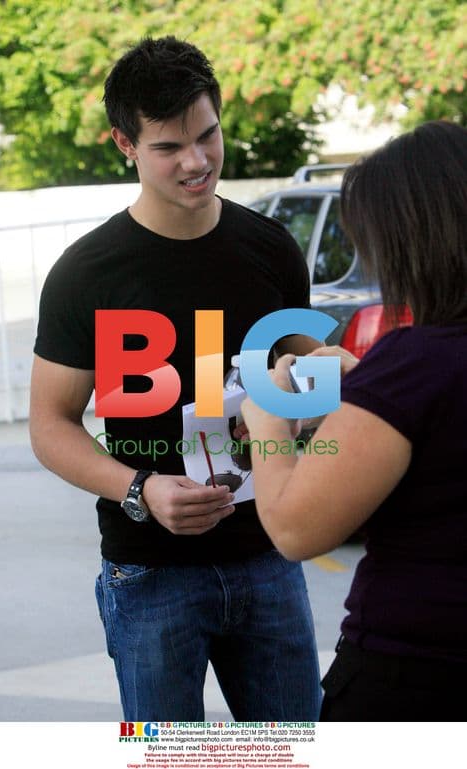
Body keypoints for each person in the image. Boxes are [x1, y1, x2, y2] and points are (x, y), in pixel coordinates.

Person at [30, 36, 322, 721]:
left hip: (269, 553)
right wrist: (139, 488)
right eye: (169, 147)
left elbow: (315, 384)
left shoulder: (270, 249)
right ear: (124, 144)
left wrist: (294, 410)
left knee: (291, 754)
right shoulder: (86, 272)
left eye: (208, 135)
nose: (196, 161)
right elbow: (49, 423)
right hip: (149, 568)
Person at [241, 120, 467, 721]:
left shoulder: (417, 362)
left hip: (413, 675)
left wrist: (267, 415)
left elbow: (295, 528)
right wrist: (366, 397)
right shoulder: (409, 373)